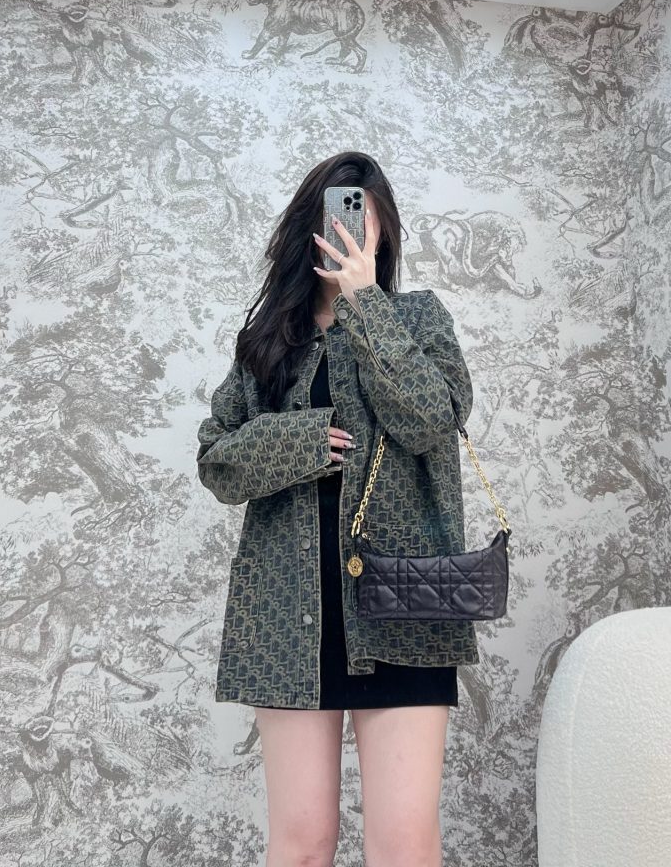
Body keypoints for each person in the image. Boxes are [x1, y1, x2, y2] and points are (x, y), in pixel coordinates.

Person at [196, 151, 477, 867]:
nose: (351, 236)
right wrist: (302, 440)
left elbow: (431, 421)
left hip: (407, 606)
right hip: (288, 613)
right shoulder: (269, 344)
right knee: (302, 843)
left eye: (366, 224)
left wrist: (365, 304)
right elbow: (217, 460)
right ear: (310, 231)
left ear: (384, 236)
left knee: (404, 843)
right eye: (339, 220)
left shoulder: (417, 318)